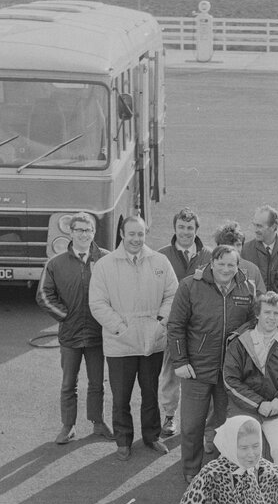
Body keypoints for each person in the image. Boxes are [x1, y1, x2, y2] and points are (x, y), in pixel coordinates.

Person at [88, 215, 177, 460]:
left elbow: (172, 295)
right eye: (132, 234)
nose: (136, 239)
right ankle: (123, 440)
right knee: (121, 397)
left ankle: (152, 436)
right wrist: (119, 329)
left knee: (150, 393)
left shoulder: (160, 261)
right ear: (122, 235)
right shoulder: (105, 265)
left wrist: (160, 323)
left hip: (152, 342)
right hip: (120, 345)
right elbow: (97, 303)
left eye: (140, 234)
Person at [167, 245, 259, 484]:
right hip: (195, 369)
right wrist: (180, 361)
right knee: (191, 425)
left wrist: (238, 335)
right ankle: (191, 470)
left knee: (224, 425)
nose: (226, 269)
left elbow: (252, 323)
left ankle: (220, 469)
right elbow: (175, 325)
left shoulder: (247, 287)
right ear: (211, 263)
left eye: (231, 265)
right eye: (221, 264)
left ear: (238, 266)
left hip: (229, 372)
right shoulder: (190, 286)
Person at [36, 212, 114, 444]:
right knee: (69, 383)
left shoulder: (107, 259)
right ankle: (68, 426)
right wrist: (65, 316)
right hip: (70, 336)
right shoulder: (55, 264)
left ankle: (98, 422)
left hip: (98, 335)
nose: (83, 234)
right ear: (70, 233)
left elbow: (119, 291)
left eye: (87, 230)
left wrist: (108, 319)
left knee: (97, 382)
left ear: (93, 233)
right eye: (78, 230)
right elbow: (43, 295)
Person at [223, 292, 278, 492]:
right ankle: (240, 498)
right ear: (257, 315)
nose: (271, 317)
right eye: (267, 312)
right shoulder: (239, 341)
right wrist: (258, 404)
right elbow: (230, 381)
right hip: (245, 408)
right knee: (244, 452)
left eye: (276, 313)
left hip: (276, 408)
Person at [157, 207, 213, 438]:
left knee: (202, 375)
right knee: (171, 372)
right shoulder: (161, 255)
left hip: (201, 328)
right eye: (181, 227)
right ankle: (169, 416)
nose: (185, 232)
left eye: (190, 228)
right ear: (175, 228)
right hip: (173, 326)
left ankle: (205, 422)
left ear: (196, 230)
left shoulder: (210, 255)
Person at [242, 204, 278, 293]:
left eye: (259, 226)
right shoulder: (245, 250)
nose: (255, 230)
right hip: (255, 305)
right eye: (254, 225)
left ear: (273, 227)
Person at [213, 221, 267, 296]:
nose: (235, 249)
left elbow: (261, 299)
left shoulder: (252, 270)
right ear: (219, 246)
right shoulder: (209, 270)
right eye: (230, 245)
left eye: (238, 245)